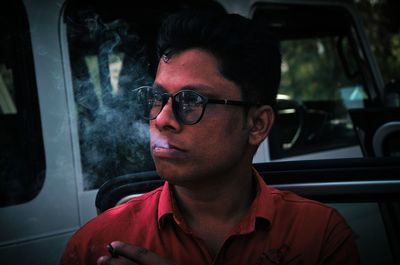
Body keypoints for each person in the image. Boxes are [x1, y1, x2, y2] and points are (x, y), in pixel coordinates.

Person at [61, 9, 360, 265]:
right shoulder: (96, 244)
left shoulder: (318, 237)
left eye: (191, 101)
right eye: (157, 98)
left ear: (257, 124)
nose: (163, 119)